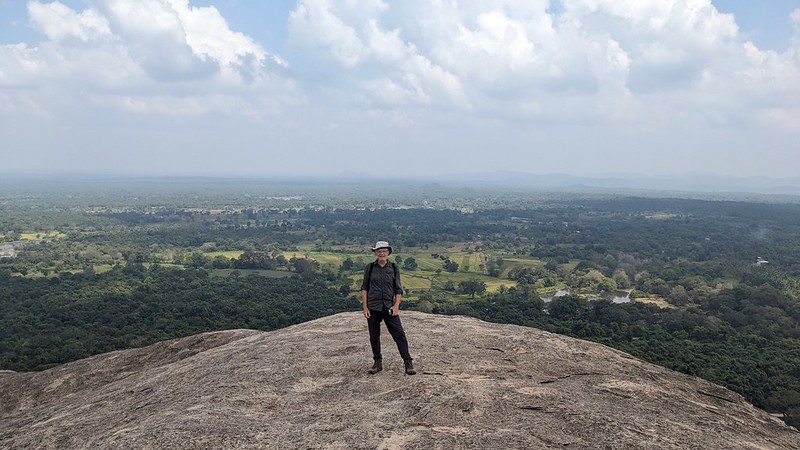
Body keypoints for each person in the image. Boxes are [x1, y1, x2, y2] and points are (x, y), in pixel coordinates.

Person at [361, 241, 416, 375]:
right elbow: (364, 288)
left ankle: (408, 362)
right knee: (374, 336)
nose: (381, 253)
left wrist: (396, 306)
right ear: (375, 253)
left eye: (384, 251)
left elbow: (398, 289)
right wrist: (365, 307)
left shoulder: (393, 267)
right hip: (373, 306)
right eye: (379, 251)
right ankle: (377, 362)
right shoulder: (370, 267)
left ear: (388, 253)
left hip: (388, 306)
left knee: (399, 335)